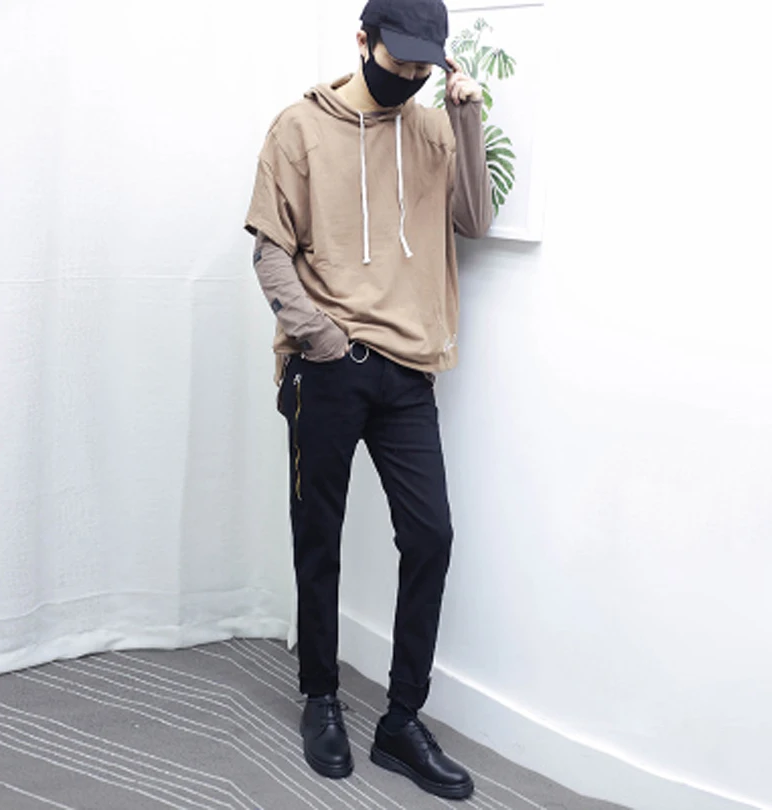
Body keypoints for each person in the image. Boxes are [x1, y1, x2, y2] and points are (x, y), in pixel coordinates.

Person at [244, 0, 492, 799]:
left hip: (408, 372)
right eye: (400, 58)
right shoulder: (299, 129)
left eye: (425, 64)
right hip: (328, 368)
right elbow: (270, 251)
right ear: (362, 40)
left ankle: (401, 722)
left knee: (431, 535)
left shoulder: (433, 129)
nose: (411, 75)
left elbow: (474, 220)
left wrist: (467, 116)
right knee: (319, 536)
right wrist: (319, 338)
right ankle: (320, 696)